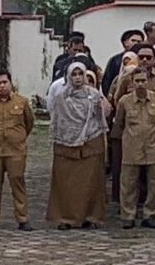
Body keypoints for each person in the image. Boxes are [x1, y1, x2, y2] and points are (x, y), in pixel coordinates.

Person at [45, 62, 111, 229]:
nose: (77, 78)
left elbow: (104, 114)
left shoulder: (95, 95)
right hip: (66, 143)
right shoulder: (61, 97)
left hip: (91, 140)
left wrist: (101, 106)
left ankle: (90, 216)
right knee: (66, 182)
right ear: (68, 77)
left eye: (80, 74)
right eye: (73, 75)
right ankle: (66, 218)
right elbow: (56, 118)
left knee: (90, 181)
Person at [0, 70, 35, 231]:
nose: (2, 86)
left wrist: (18, 137)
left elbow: (29, 123)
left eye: (5, 82)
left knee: (18, 182)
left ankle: (22, 218)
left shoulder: (22, 102)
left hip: (16, 151)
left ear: (11, 83)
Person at [114, 61, 155, 228]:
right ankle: (128, 215)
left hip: (153, 146)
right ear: (132, 81)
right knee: (129, 183)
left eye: (143, 80)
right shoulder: (124, 101)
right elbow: (120, 122)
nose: (140, 84)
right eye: (137, 80)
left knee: (154, 183)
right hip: (132, 146)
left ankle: (151, 214)